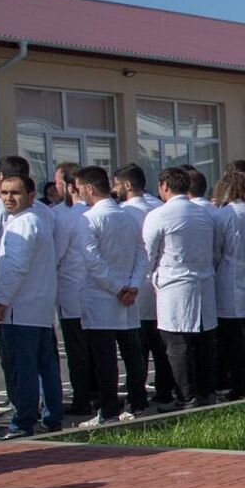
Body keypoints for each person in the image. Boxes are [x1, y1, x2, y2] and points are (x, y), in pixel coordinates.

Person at [0, 171, 64, 436]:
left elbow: (15, 269)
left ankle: (23, 422)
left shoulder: (23, 223)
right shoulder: (35, 221)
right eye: (5, 192)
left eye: (16, 192)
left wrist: (0, 301)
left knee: (24, 369)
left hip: (21, 310)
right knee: (46, 367)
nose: (9, 198)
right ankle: (52, 416)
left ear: (31, 195)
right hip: (38, 308)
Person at [143, 166, 224, 407]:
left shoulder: (160, 215)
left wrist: (152, 277)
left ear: (164, 186)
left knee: (176, 345)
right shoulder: (203, 214)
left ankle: (186, 396)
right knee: (204, 343)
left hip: (174, 284)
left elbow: (148, 253)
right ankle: (206, 392)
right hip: (204, 283)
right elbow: (216, 251)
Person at [76, 166, 147, 424]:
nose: (78, 192)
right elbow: (142, 252)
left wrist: (119, 288)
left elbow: (92, 261)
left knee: (105, 358)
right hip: (126, 294)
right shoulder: (127, 216)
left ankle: (108, 411)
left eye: (79, 187)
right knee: (131, 354)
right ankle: (137, 403)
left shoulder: (88, 219)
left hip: (103, 296)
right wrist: (133, 284)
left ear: (90, 188)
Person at [114, 164, 175, 409]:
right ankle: (164, 391)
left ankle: (136, 396)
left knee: (136, 352)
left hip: (135, 287)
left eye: (116, 184)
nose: (113, 189)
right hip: (158, 288)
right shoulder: (159, 207)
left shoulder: (123, 213)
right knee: (161, 348)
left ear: (127, 185)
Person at [210, 171, 245, 400]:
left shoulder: (223, 215)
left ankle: (239, 385)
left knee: (233, 338)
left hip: (231, 275)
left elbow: (216, 250)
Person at [49, 163, 96, 416]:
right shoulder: (94, 211)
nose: (55, 188)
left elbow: (55, 256)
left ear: (69, 186)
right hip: (93, 289)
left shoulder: (62, 216)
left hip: (71, 288)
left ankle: (81, 398)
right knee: (95, 346)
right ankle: (96, 392)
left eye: (57, 183)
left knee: (77, 349)